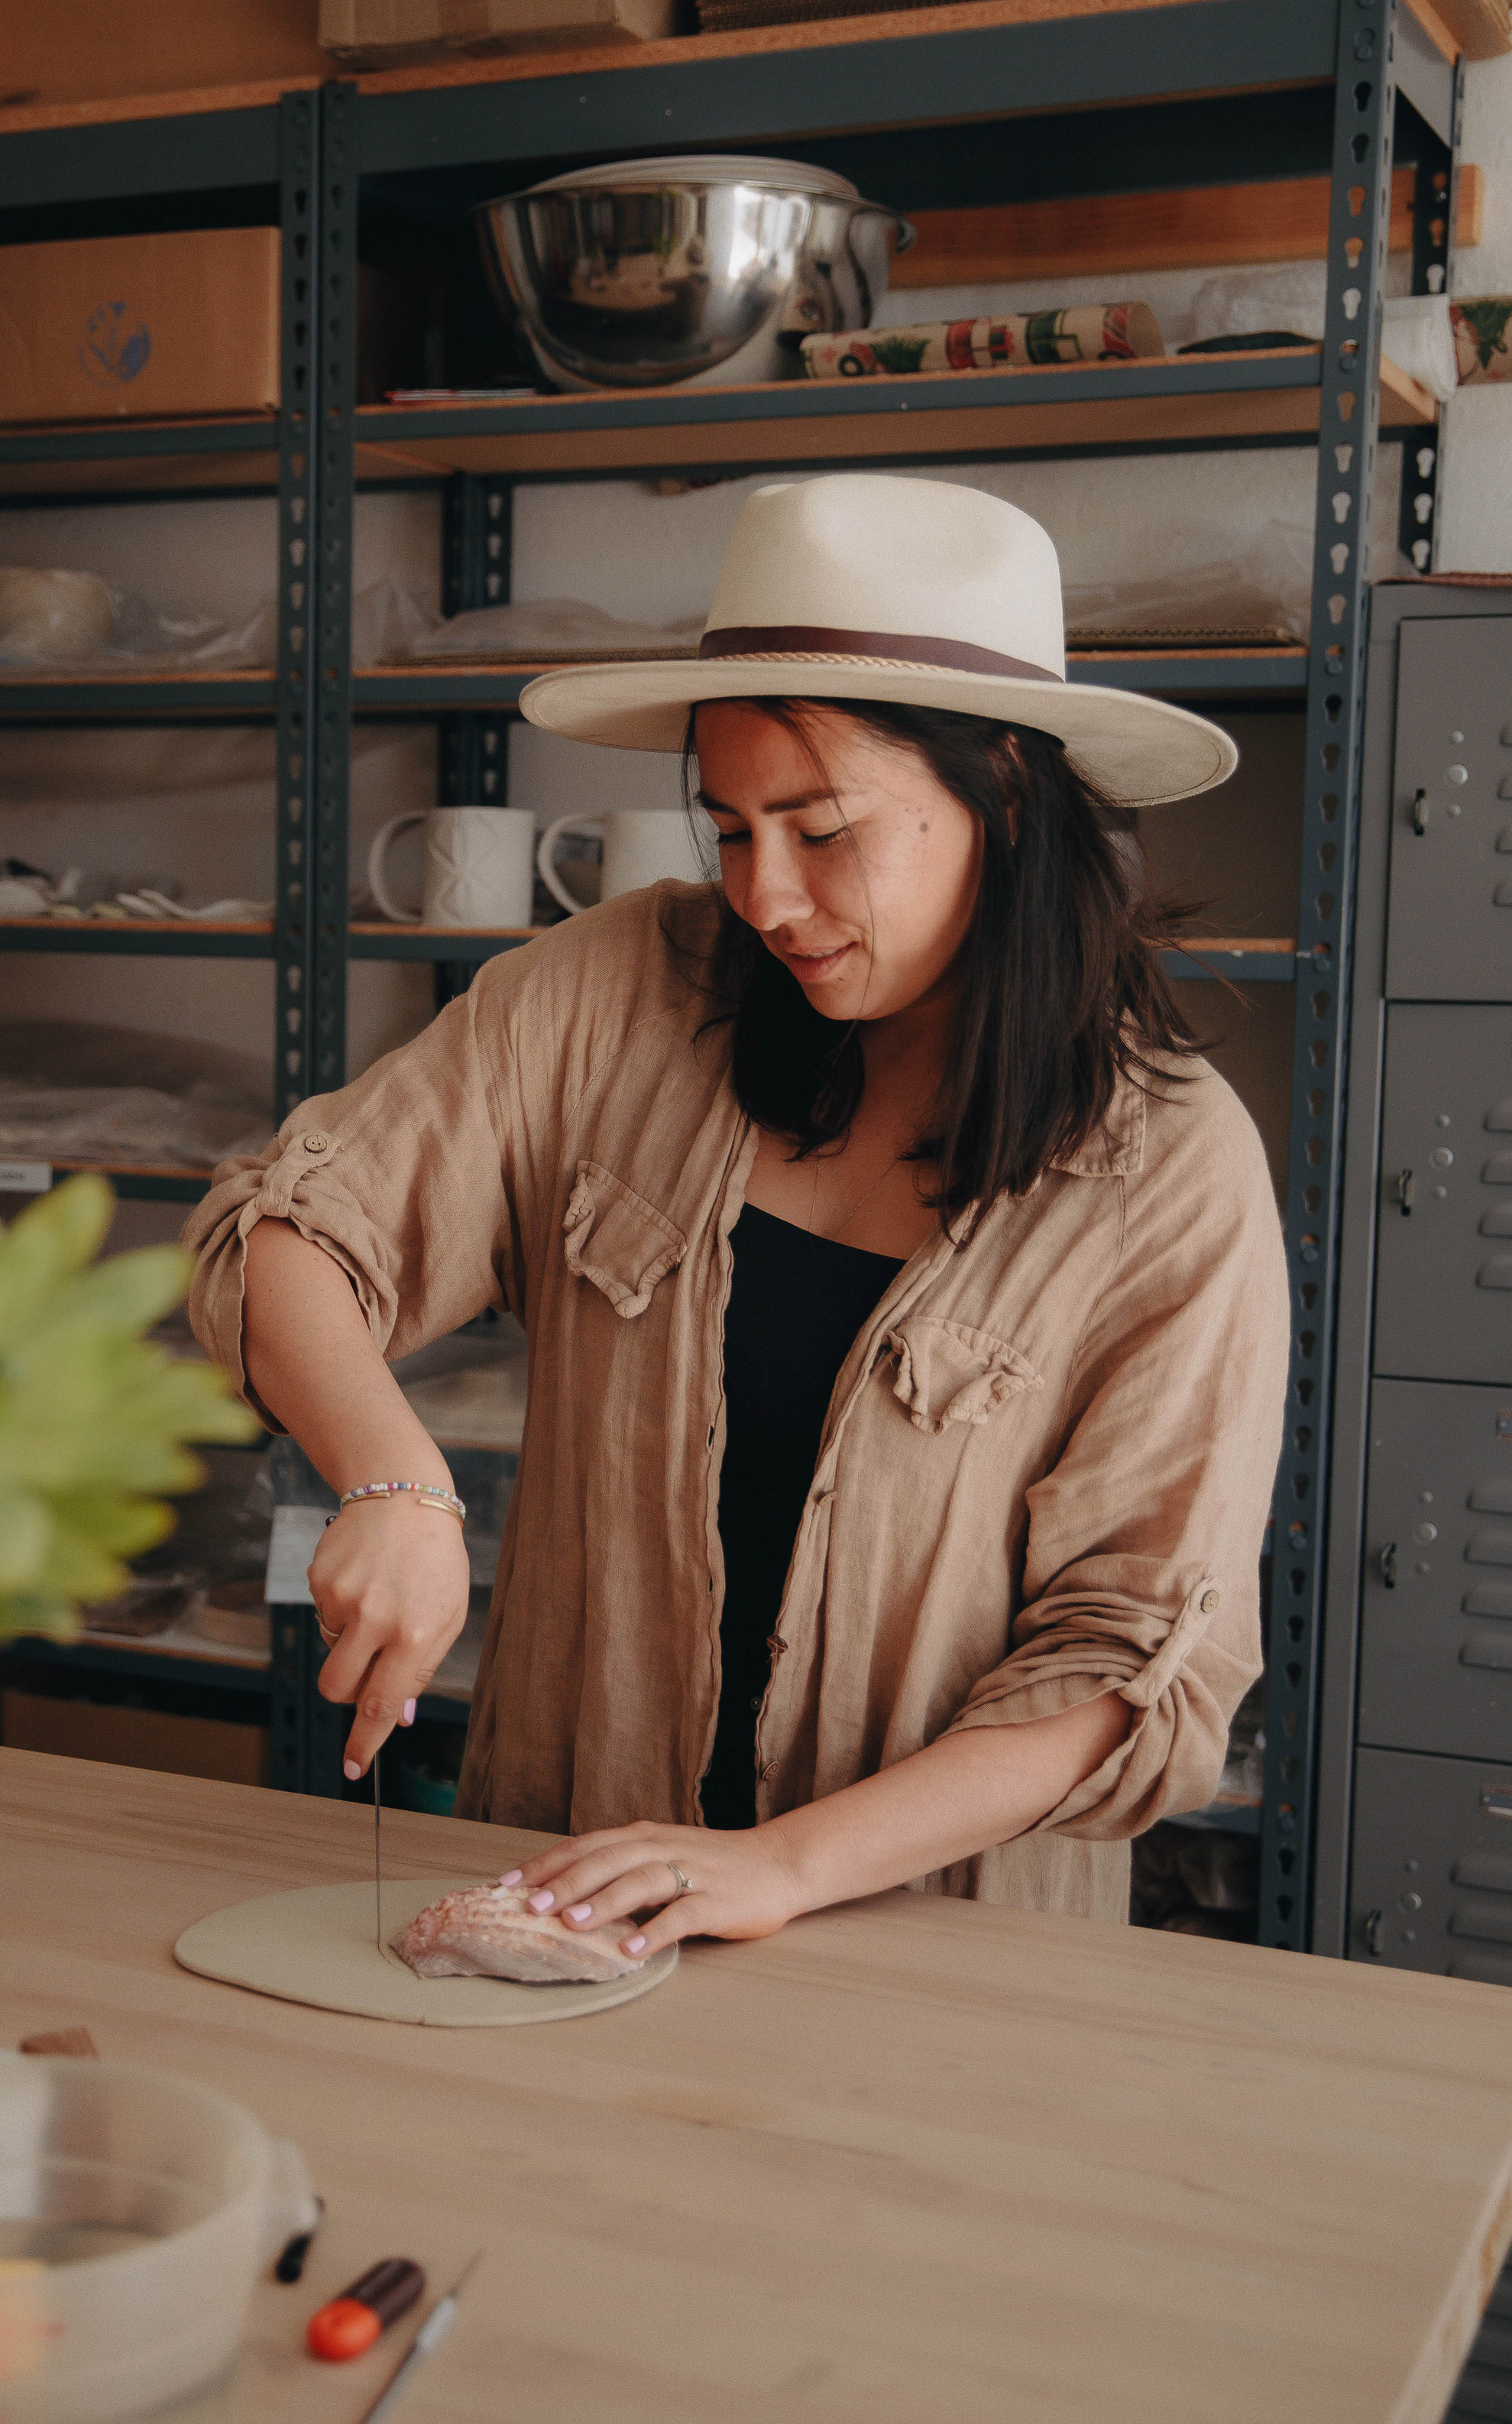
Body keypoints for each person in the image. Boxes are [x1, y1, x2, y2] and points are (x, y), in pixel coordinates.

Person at [185, 475, 1287, 1958]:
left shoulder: (1165, 1168)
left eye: (821, 831)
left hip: (927, 1950)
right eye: (727, 827)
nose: (765, 895)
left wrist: (778, 1864)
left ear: (1003, 798)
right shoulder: (612, 992)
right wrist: (393, 1479)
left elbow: (1129, 1666)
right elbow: (283, 1230)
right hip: (555, 1877)